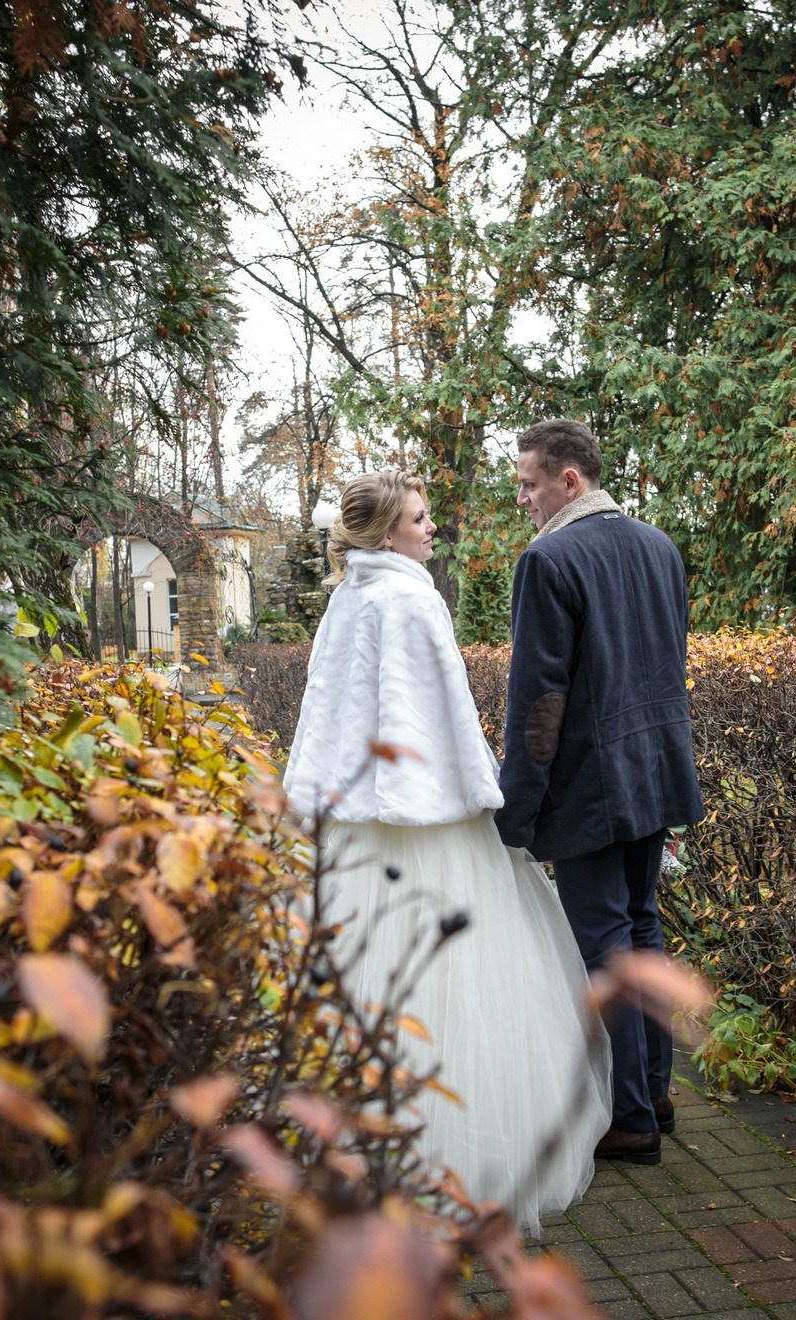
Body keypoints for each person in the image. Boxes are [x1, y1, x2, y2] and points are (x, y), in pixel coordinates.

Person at [284, 470, 611, 1235]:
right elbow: (447, 709)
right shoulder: (414, 597)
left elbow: (322, 710)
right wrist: (482, 789)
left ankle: (351, 1154)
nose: (431, 531)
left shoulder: (347, 599)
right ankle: (450, 1160)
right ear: (386, 532)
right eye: (419, 519)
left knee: (364, 980)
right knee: (459, 984)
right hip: (428, 821)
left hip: (357, 824)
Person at [495, 419, 704, 1166]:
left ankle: (630, 1120)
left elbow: (540, 699)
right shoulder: (660, 547)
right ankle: (652, 1094)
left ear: (570, 480)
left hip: (591, 787)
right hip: (657, 773)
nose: (523, 497)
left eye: (528, 483)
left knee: (608, 949)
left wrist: (516, 804)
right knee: (642, 932)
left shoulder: (550, 558)